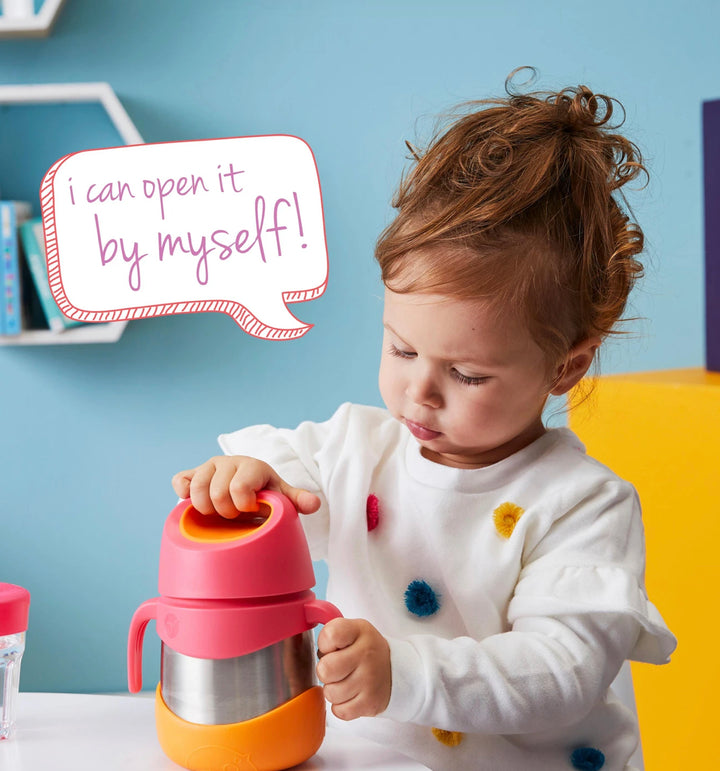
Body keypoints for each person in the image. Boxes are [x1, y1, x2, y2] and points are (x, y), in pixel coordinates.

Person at [172, 72, 676, 771]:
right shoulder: (356, 449)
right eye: (401, 348)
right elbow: (289, 480)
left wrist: (403, 672)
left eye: (468, 374)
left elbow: (559, 670)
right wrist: (250, 482)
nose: (420, 391)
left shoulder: (581, 504)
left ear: (565, 367)